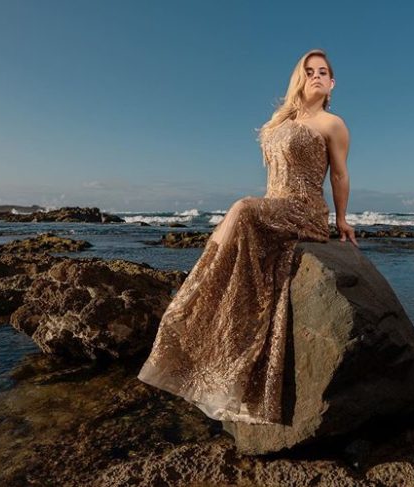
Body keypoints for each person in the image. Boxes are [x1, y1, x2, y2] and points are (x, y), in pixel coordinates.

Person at [137, 48, 357, 425]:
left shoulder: (333, 124)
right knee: (245, 227)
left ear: (332, 83)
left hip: (305, 209)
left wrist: (341, 220)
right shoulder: (279, 120)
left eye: (323, 72)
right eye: (309, 71)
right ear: (299, 78)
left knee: (240, 207)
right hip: (275, 206)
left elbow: (339, 175)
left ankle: (203, 278)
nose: (317, 76)